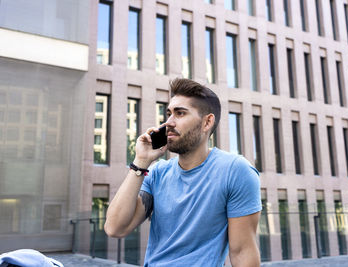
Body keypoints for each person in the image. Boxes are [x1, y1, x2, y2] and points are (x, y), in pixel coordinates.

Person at [105, 78, 261, 266]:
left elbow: (243, 252)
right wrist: (141, 161)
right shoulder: (156, 173)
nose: (168, 122)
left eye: (180, 113)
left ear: (207, 122)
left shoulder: (235, 171)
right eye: (168, 113)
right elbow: (115, 228)